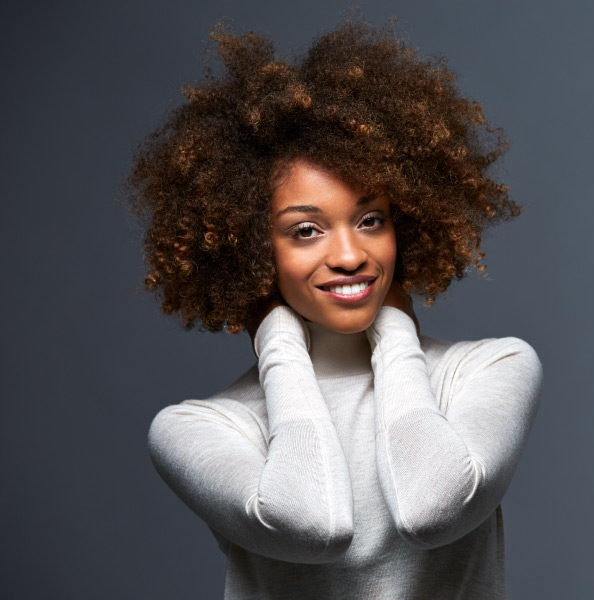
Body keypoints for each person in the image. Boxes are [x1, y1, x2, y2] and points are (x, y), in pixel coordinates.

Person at [129, 18, 542, 600]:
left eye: (371, 220)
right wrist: (275, 336)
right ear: (250, 246)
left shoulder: (489, 370)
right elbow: (311, 525)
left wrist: (395, 330)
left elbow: (431, 509)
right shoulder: (201, 428)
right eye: (305, 231)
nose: (350, 255)